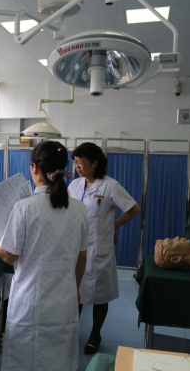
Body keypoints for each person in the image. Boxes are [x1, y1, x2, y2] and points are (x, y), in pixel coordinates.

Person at [0, 141, 89, 371]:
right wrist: (75, 289)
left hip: (30, 300)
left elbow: (9, 256)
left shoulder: (25, 207)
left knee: (26, 359)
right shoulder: (79, 209)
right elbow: (81, 258)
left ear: (34, 168)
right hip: (65, 299)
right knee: (59, 357)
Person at [67, 142, 141, 355]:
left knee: (101, 294)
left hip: (98, 248)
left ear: (95, 163)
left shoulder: (110, 186)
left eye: (82, 163)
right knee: (75, 290)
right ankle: (71, 331)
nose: (78, 167)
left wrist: (113, 226)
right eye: (75, 163)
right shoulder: (74, 185)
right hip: (76, 247)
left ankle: (95, 334)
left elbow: (133, 208)